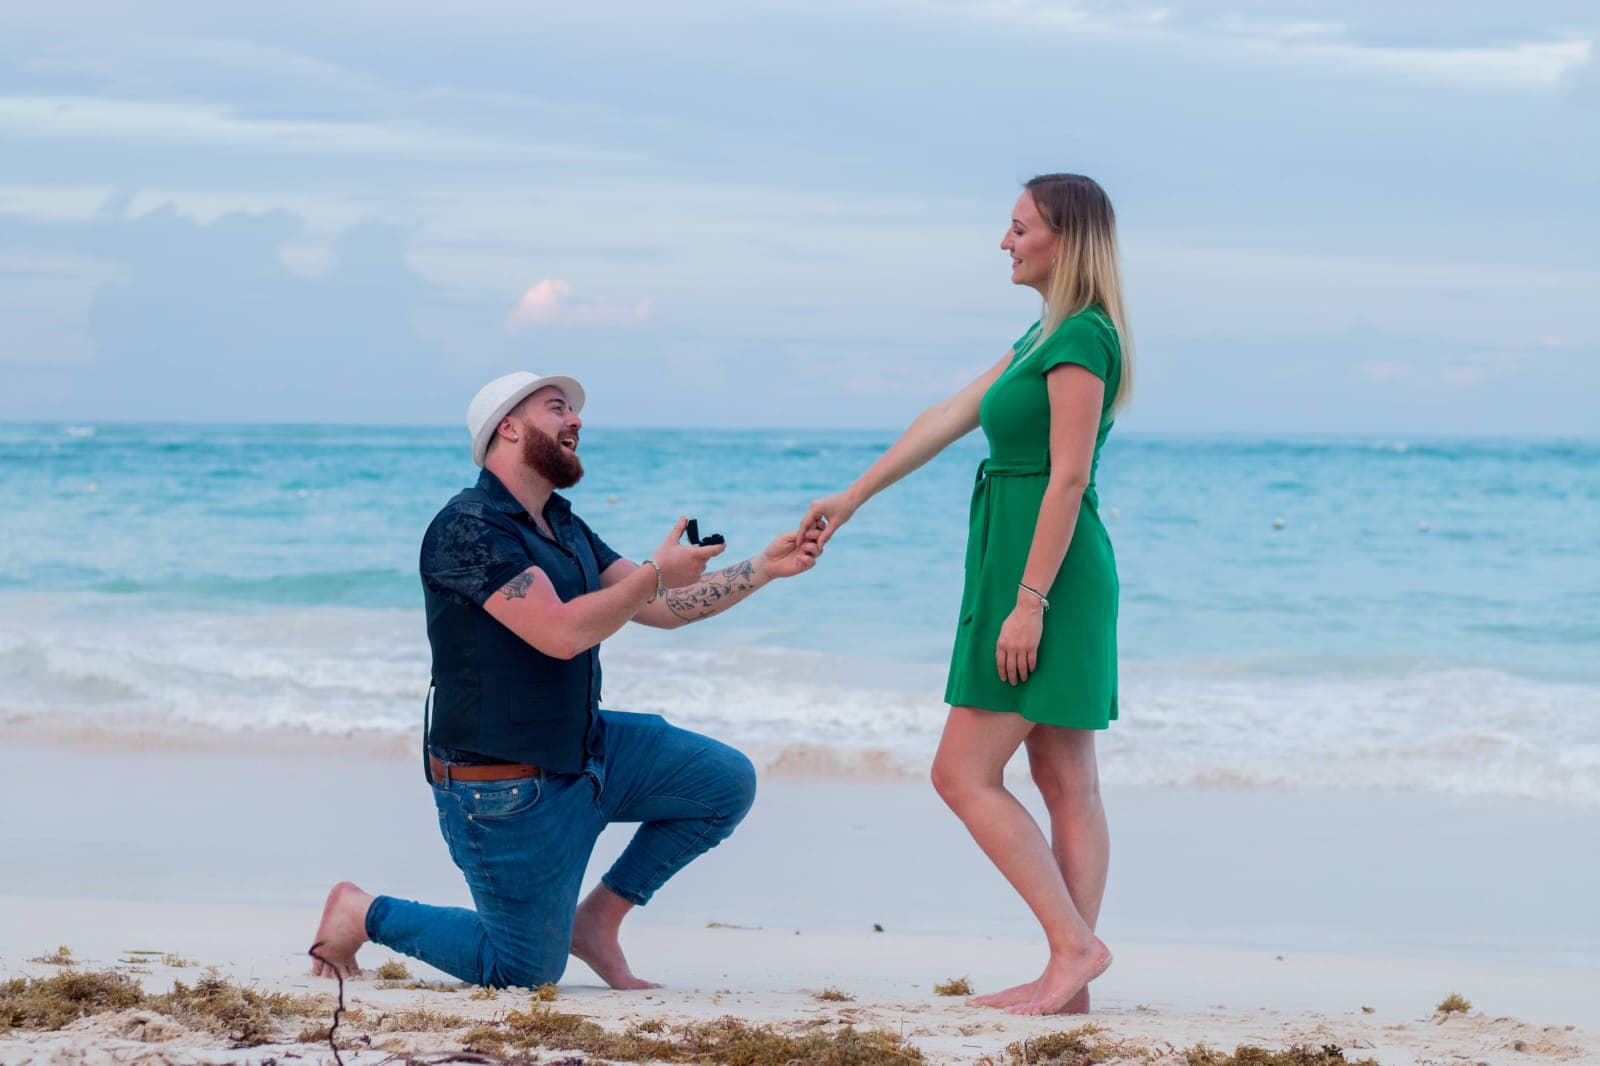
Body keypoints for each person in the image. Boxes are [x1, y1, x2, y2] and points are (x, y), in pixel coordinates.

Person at [310, 370, 822, 990]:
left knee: (723, 782)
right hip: (504, 790)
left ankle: (597, 923)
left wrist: (763, 568)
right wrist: (656, 572)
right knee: (524, 971)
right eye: (558, 408)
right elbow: (560, 632)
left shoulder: (563, 524)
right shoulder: (466, 528)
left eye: (575, 412)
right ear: (508, 426)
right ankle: (360, 912)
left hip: (587, 754)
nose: (576, 420)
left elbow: (656, 608)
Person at [797, 173, 1132, 1016]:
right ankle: (1071, 981)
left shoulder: (1083, 338)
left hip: (1044, 573)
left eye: (1019, 228)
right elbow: (949, 414)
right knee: (1062, 774)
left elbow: (1069, 480)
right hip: (1024, 565)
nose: (1004, 242)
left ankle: (1072, 949)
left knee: (961, 771)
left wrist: (1029, 602)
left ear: (1065, 238)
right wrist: (855, 494)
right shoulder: (1039, 335)